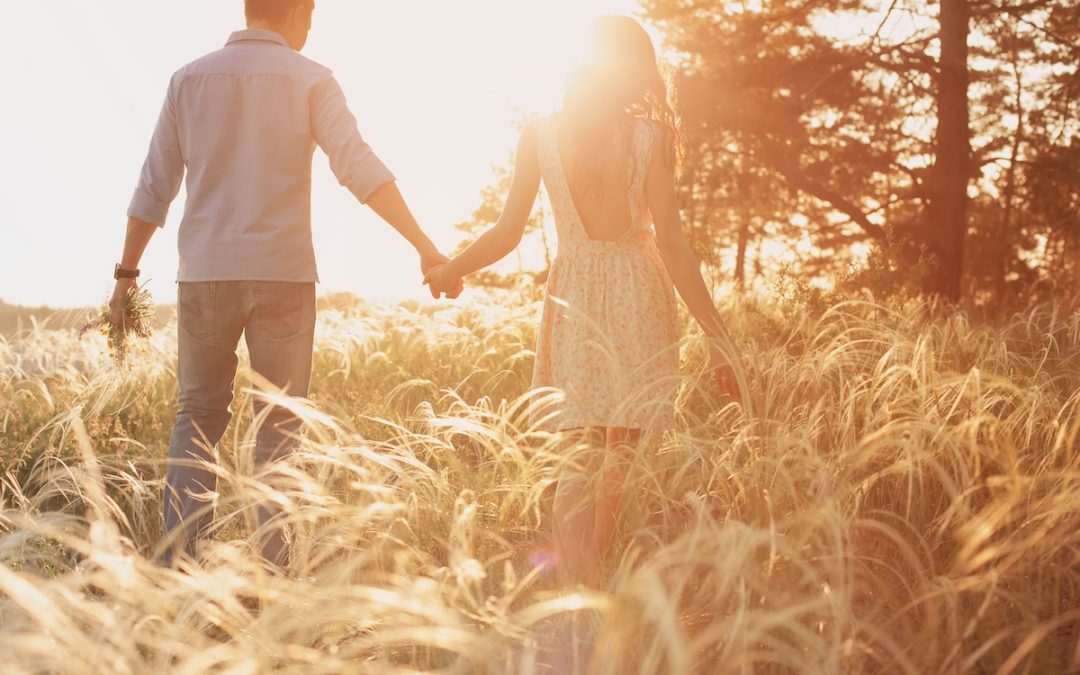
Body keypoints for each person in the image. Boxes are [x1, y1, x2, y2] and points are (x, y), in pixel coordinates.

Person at [110, 0, 459, 570]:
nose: (312, 26)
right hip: (283, 274)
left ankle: (179, 569)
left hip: (205, 274)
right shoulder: (312, 79)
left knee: (196, 418)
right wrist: (424, 246)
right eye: (312, 13)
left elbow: (155, 186)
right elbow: (358, 165)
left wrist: (126, 276)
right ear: (297, 11)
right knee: (278, 428)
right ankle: (274, 577)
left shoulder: (188, 79)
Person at [425, 16, 746, 586]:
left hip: (575, 294)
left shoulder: (541, 134)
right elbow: (671, 242)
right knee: (619, 450)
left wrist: (453, 268)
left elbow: (506, 231)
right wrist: (718, 337)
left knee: (580, 451)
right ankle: (593, 576)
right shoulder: (650, 137)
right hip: (638, 295)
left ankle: (579, 580)